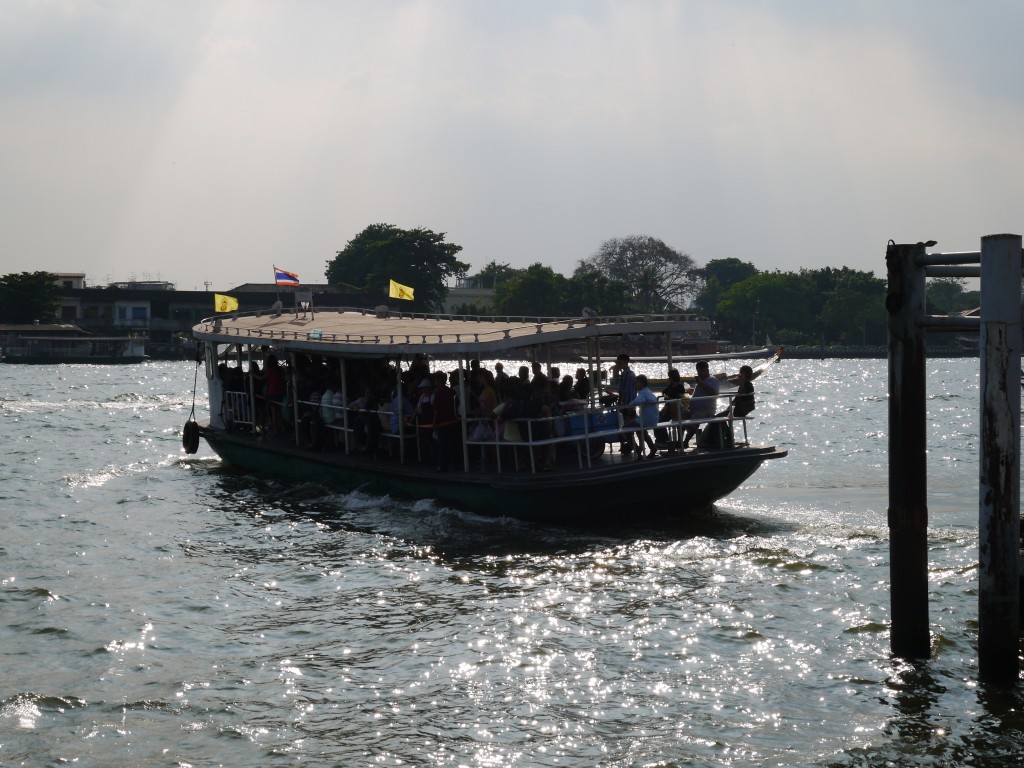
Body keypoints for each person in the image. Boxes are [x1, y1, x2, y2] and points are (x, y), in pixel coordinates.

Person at [683, 360, 720, 449]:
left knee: (695, 417)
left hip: (706, 410)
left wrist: (701, 383)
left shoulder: (712, 380)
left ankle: (685, 441)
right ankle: (680, 440)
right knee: (680, 416)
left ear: (706, 370)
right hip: (693, 408)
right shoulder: (701, 381)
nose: (699, 373)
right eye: (698, 371)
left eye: (701, 371)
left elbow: (713, 393)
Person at [654, 368, 687, 450]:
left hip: (675, 409)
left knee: (661, 422)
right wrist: (666, 396)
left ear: (673, 377)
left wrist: (670, 399)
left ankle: (665, 440)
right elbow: (665, 391)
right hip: (668, 407)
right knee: (656, 420)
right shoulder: (671, 385)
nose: (668, 379)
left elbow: (681, 398)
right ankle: (662, 440)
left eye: (670, 377)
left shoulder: (679, 386)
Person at [628, 374, 659, 458]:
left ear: (642, 383)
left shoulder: (643, 393)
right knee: (641, 431)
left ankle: (638, 449)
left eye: (637, 382)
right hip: (653, 420)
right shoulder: (649, 392)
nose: (635, 384)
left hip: (646, 421)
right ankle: (652, 448)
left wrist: (629, 405)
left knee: (625, 429)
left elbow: (637, 401)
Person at [616, 353, 636, 454]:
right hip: (628, 404)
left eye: (620, 363)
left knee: (628, 425)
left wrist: (621, 401)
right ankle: (632, 445)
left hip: (628, 404)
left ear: (625, 362)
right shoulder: (626, 374)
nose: (618, 365)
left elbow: (625, 391)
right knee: (628, 425)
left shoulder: (628, 374)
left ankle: (633, 446)